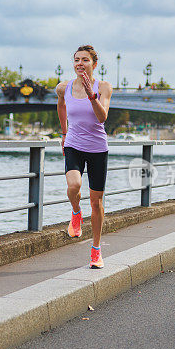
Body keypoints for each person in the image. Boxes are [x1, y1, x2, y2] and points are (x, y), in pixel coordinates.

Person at [55, 45, 112, 268]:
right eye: (77, 59)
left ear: (94, 64)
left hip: (98, 148)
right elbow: (61, 105)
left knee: (96, 203)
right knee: (74, 184)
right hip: (73, 145)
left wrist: (91, 96)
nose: (80, 63)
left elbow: (102, 117)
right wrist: (64, 131)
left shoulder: (104, 87)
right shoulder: (64, 87)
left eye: (85, 60)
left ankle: (96, 250)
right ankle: (76, 213)